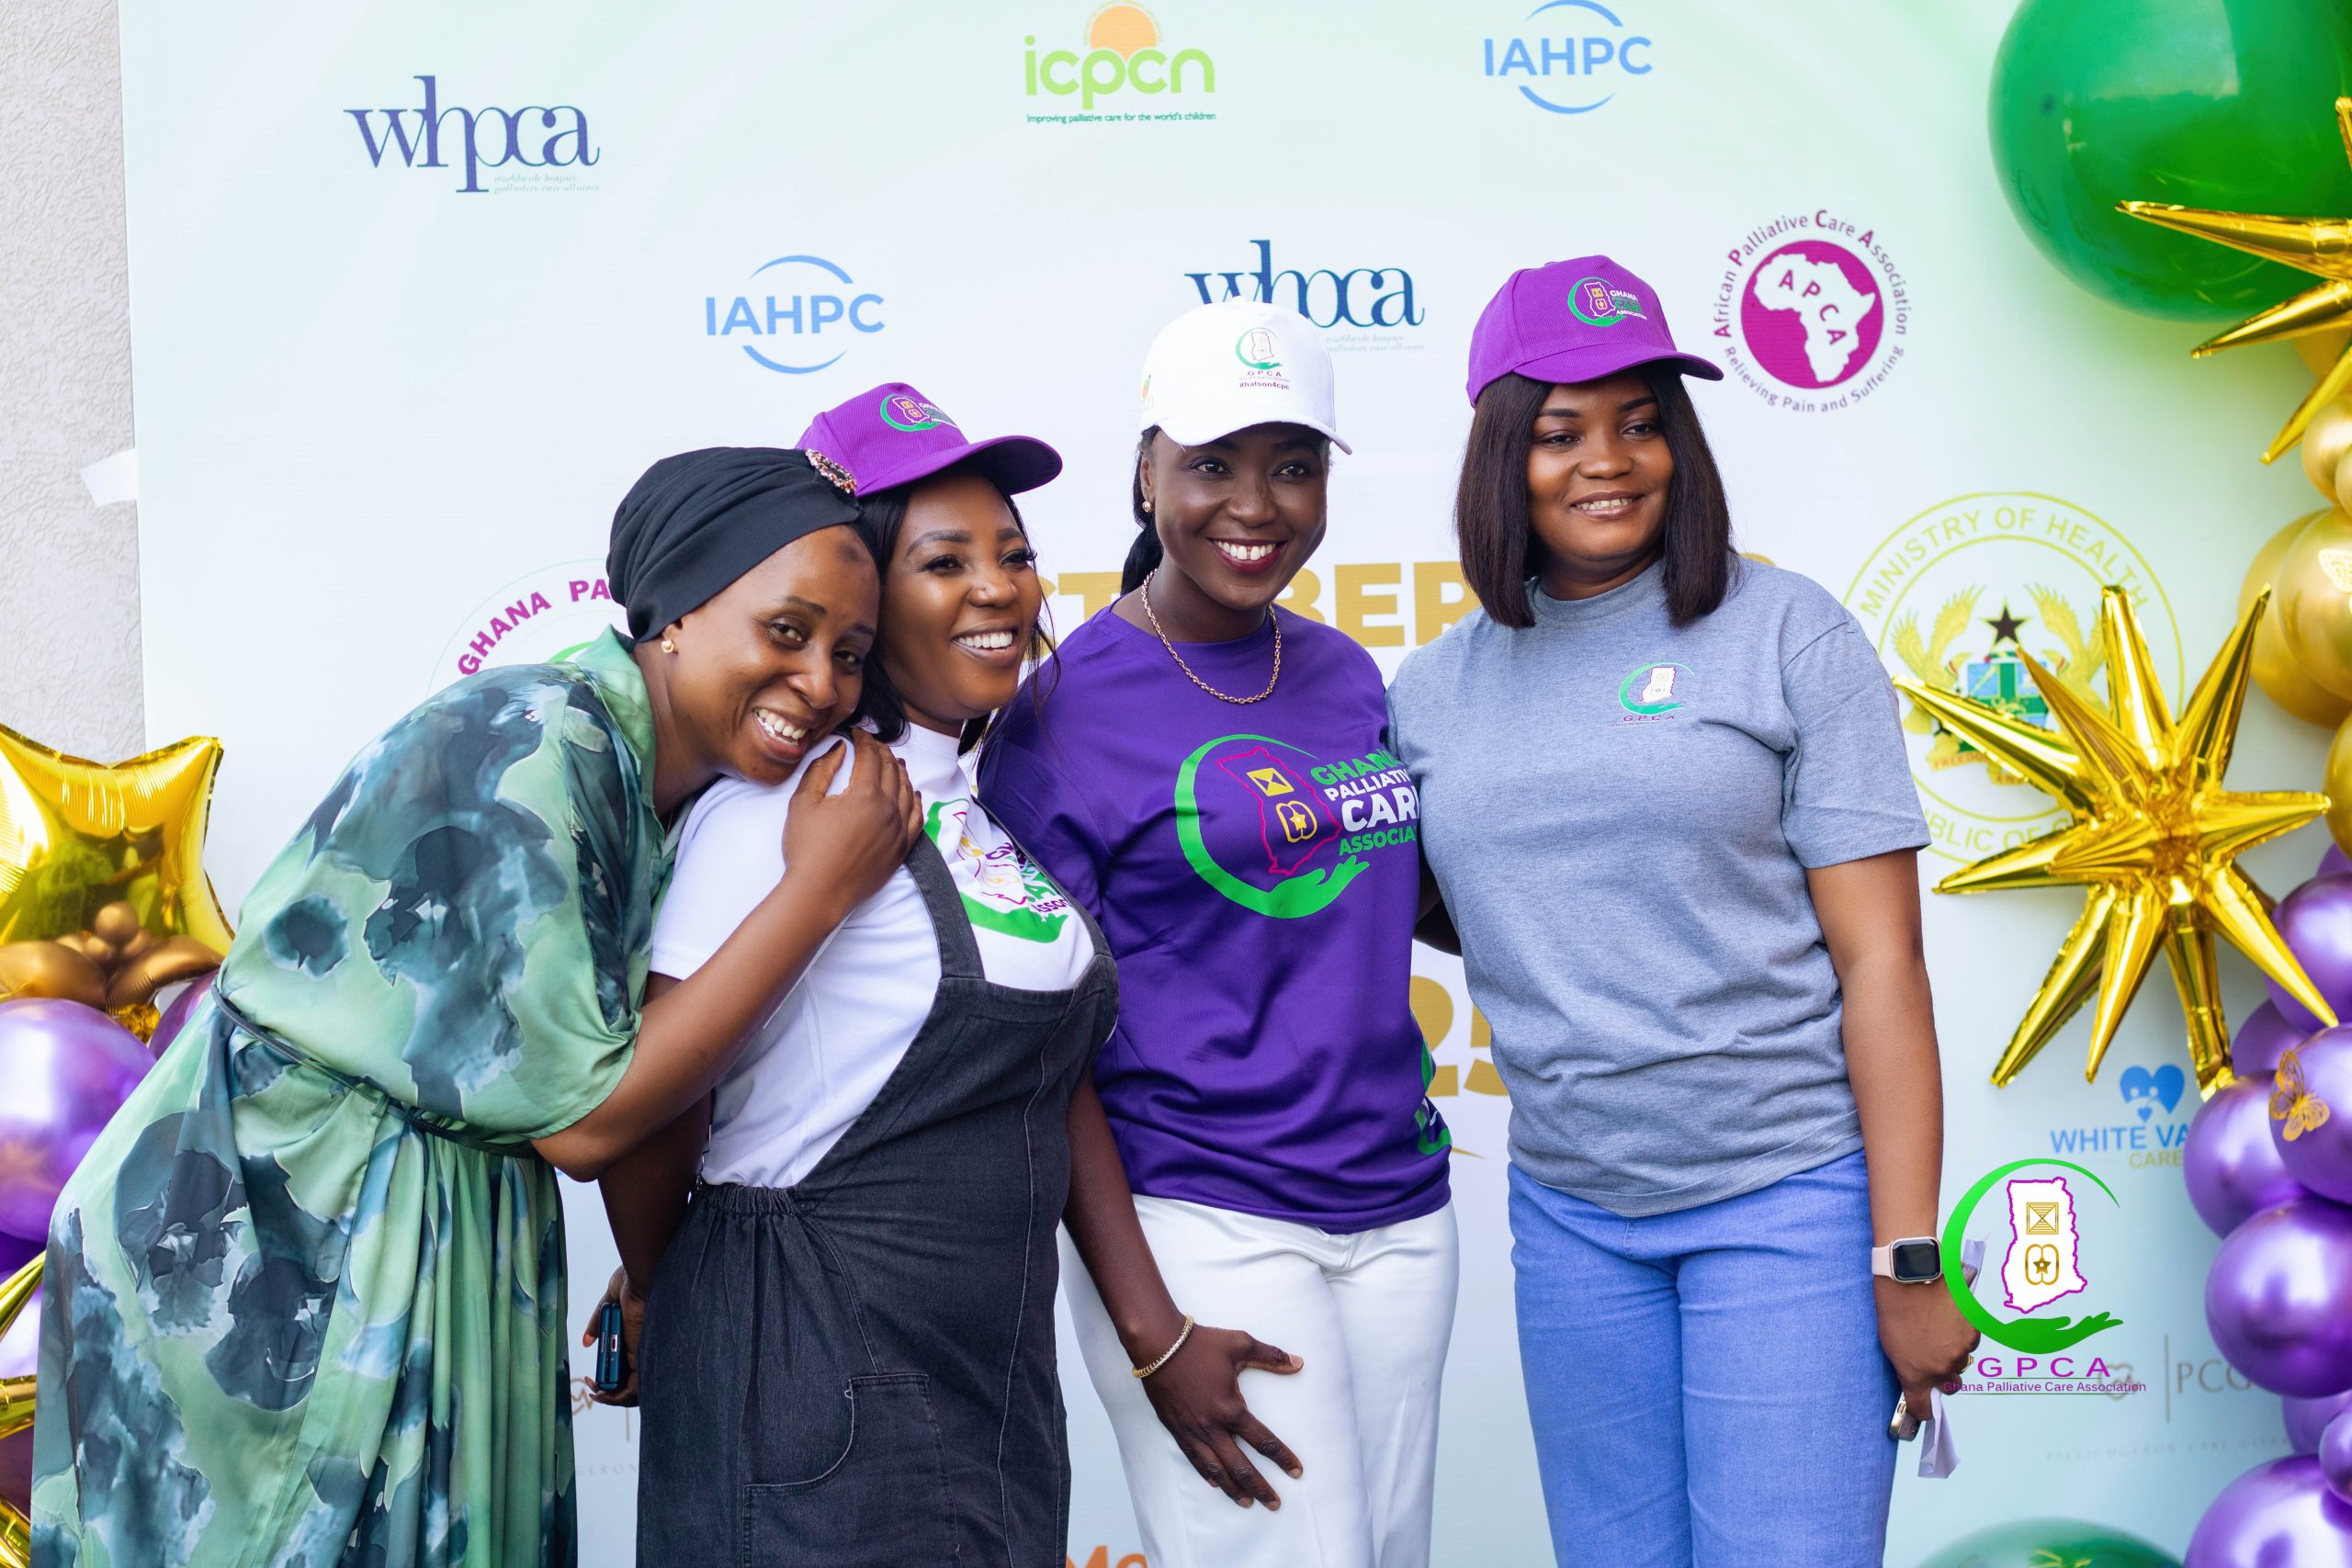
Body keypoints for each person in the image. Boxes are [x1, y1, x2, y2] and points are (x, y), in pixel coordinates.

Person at [30, 448, 922, 1567]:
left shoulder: (644, 781)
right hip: (270, 1248)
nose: (822, 684)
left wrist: (656, 1275)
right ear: (676, 613)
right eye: (785, 632)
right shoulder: (540, 737)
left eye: (850, 655)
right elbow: (587, 1122)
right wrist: (820, 889)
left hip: (403, 1222)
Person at [1385, 255, 1978, 1568]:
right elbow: (1453, 899)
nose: (1608, 460)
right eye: (1561, 431)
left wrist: (1908, 1258)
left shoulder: (1788, 635)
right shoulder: (1431, 692)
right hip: (1572, 1211)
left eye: (1641, 421)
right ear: (1501, 457)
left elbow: (1883, 964)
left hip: (1787, 1197)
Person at [587, 384, 1117, 1567]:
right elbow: (650, 1108)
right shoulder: (780, 809)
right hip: (814, 1381)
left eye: (1013, 555)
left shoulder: (966, 803)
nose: (999, 589)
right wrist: (664, 1283)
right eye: (945, 561)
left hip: (980, 1386)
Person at [981, 300, 1456, 1568]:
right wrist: (1152, 1329)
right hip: (1203, 1212)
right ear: (1147, 473)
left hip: (1401, 1205)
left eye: (1293, 465)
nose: (1256, 504)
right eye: (1212, 463)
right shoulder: (1059, 718)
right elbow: (1046, 1053)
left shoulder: (1345, 671)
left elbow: (1405, 898)